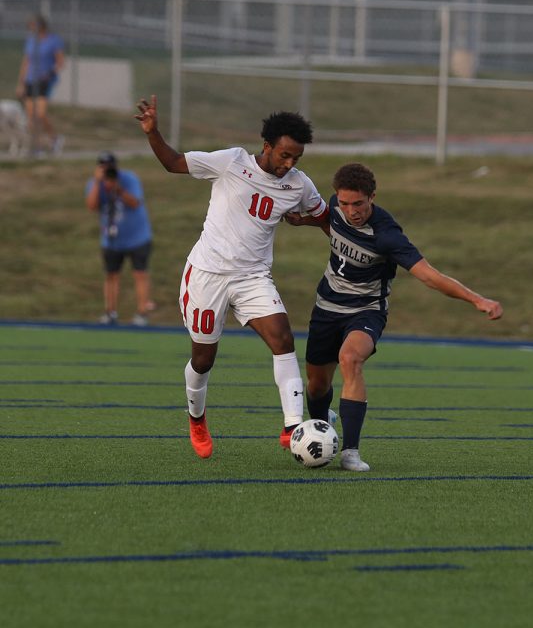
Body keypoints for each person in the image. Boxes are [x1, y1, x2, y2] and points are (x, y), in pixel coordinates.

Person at [135, 94, 328, 461]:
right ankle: (196, 418)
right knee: (204, 359)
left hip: (252, 276)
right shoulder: (232, 161)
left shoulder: (300, 185)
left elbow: (324, 218)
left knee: (283, 338)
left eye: (296, 159)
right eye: (284, 155)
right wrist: (153, 132)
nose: (289, 164)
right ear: (266, 146)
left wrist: (316, 226)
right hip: (207, 274)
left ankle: (292, 427)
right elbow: (174, 163)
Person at [289, 162, 503, 472]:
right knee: (317, 385)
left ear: (372, 197)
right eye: (346, 203)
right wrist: (303, 220)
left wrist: (476, 299)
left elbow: (429, 276)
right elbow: (328, 221)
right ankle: (322, 426)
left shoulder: (387, 235)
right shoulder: (335, 206)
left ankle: (350, 451)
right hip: (326, 307)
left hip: (366, 310)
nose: (352, 211)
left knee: (350, 359)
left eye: (359, 204)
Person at [85, 152, 155, 327]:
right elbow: (92, 206)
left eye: (110, 167)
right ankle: (110, 312)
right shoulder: (95, 184)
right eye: (103, 167)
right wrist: (97, 183)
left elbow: (135, 203)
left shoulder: (129, 179)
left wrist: (117, 188)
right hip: (111, 240)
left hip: (137, 236)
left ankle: (142, 313)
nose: (108, 170)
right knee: (111, 275)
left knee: (140, 274)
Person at [16, 15, 65, 156]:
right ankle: (37, 147)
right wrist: (21, 83)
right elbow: (26, 62)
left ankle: (55, 139)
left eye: (34, 25)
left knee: (40, 114)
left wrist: (50, 73)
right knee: (31, 116)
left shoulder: (53, 40)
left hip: (44, 81)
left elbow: (60, 61)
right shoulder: (31, 41)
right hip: (30, 80)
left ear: (41, 26)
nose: (32, 29)